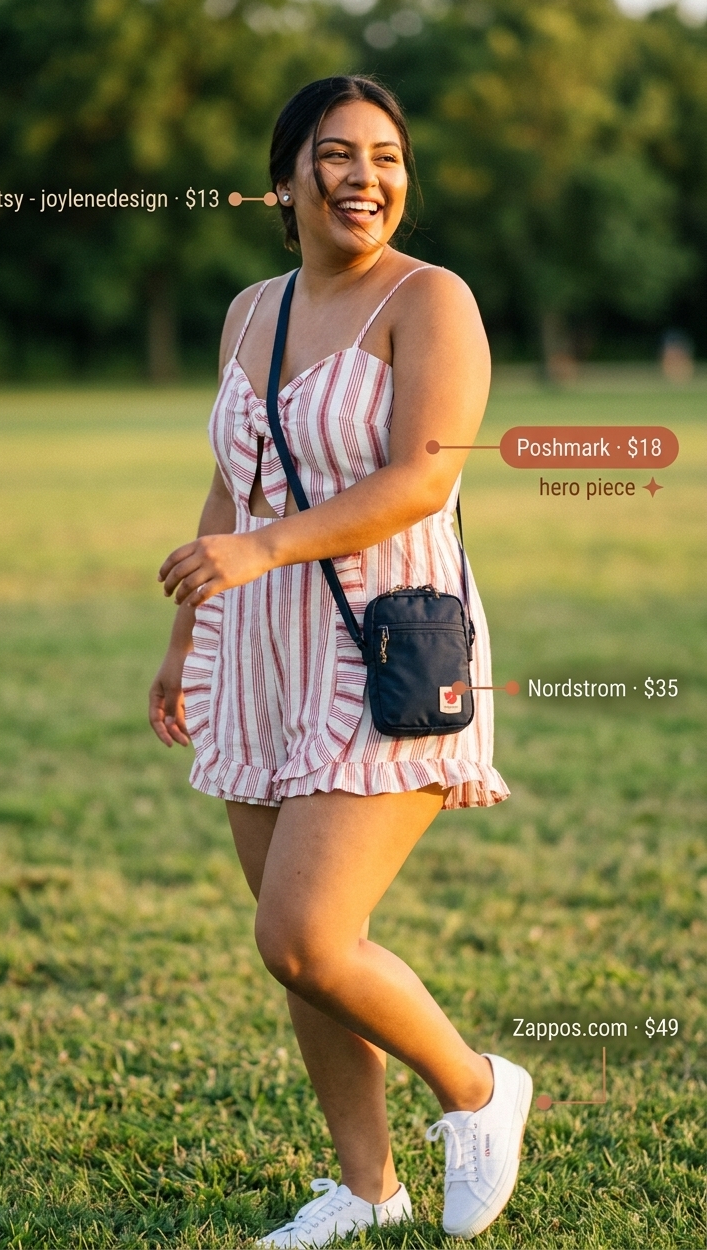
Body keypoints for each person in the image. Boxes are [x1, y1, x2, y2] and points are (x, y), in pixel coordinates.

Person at [149, 75, 532, 1244]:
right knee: (305, 955)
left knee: (305, 931)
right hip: (262, 643)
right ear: (285, 178)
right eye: (336, 153)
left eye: (387, 155)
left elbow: (423, 475)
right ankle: (367, 1187)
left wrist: (259, 548)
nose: (366, 175)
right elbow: (235, 473)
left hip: (387, 643)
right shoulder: (249, 310)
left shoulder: (432, 299)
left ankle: (478, 1088)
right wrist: (186, 638)